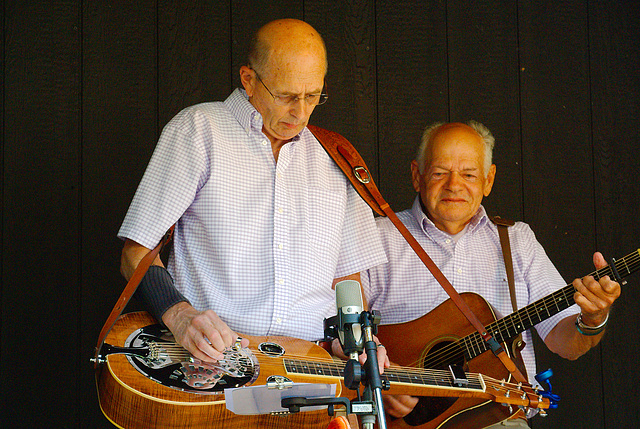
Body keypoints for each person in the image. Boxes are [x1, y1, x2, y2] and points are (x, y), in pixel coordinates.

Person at [117, 19, 389, 376]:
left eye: (312, 96)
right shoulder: (199, 130)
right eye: (287, 96)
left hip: (311, 370)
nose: (301, 112)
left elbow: (347, 279)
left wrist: (353, 339)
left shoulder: (336, 156)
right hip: (212, 365)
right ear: (248, 79)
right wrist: (180, 316)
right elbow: (135, 252)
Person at [361, 121, 621, 427]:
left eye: (469, 175)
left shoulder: (516, 241)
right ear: (417, 176)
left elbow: (564, 342)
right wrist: (376, 380)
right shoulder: (377, 237)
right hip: (403, 419)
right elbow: (343, 332)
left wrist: (592, 318)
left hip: (499, 418)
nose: (454, 185)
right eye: (440, 172)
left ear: (489, 179)